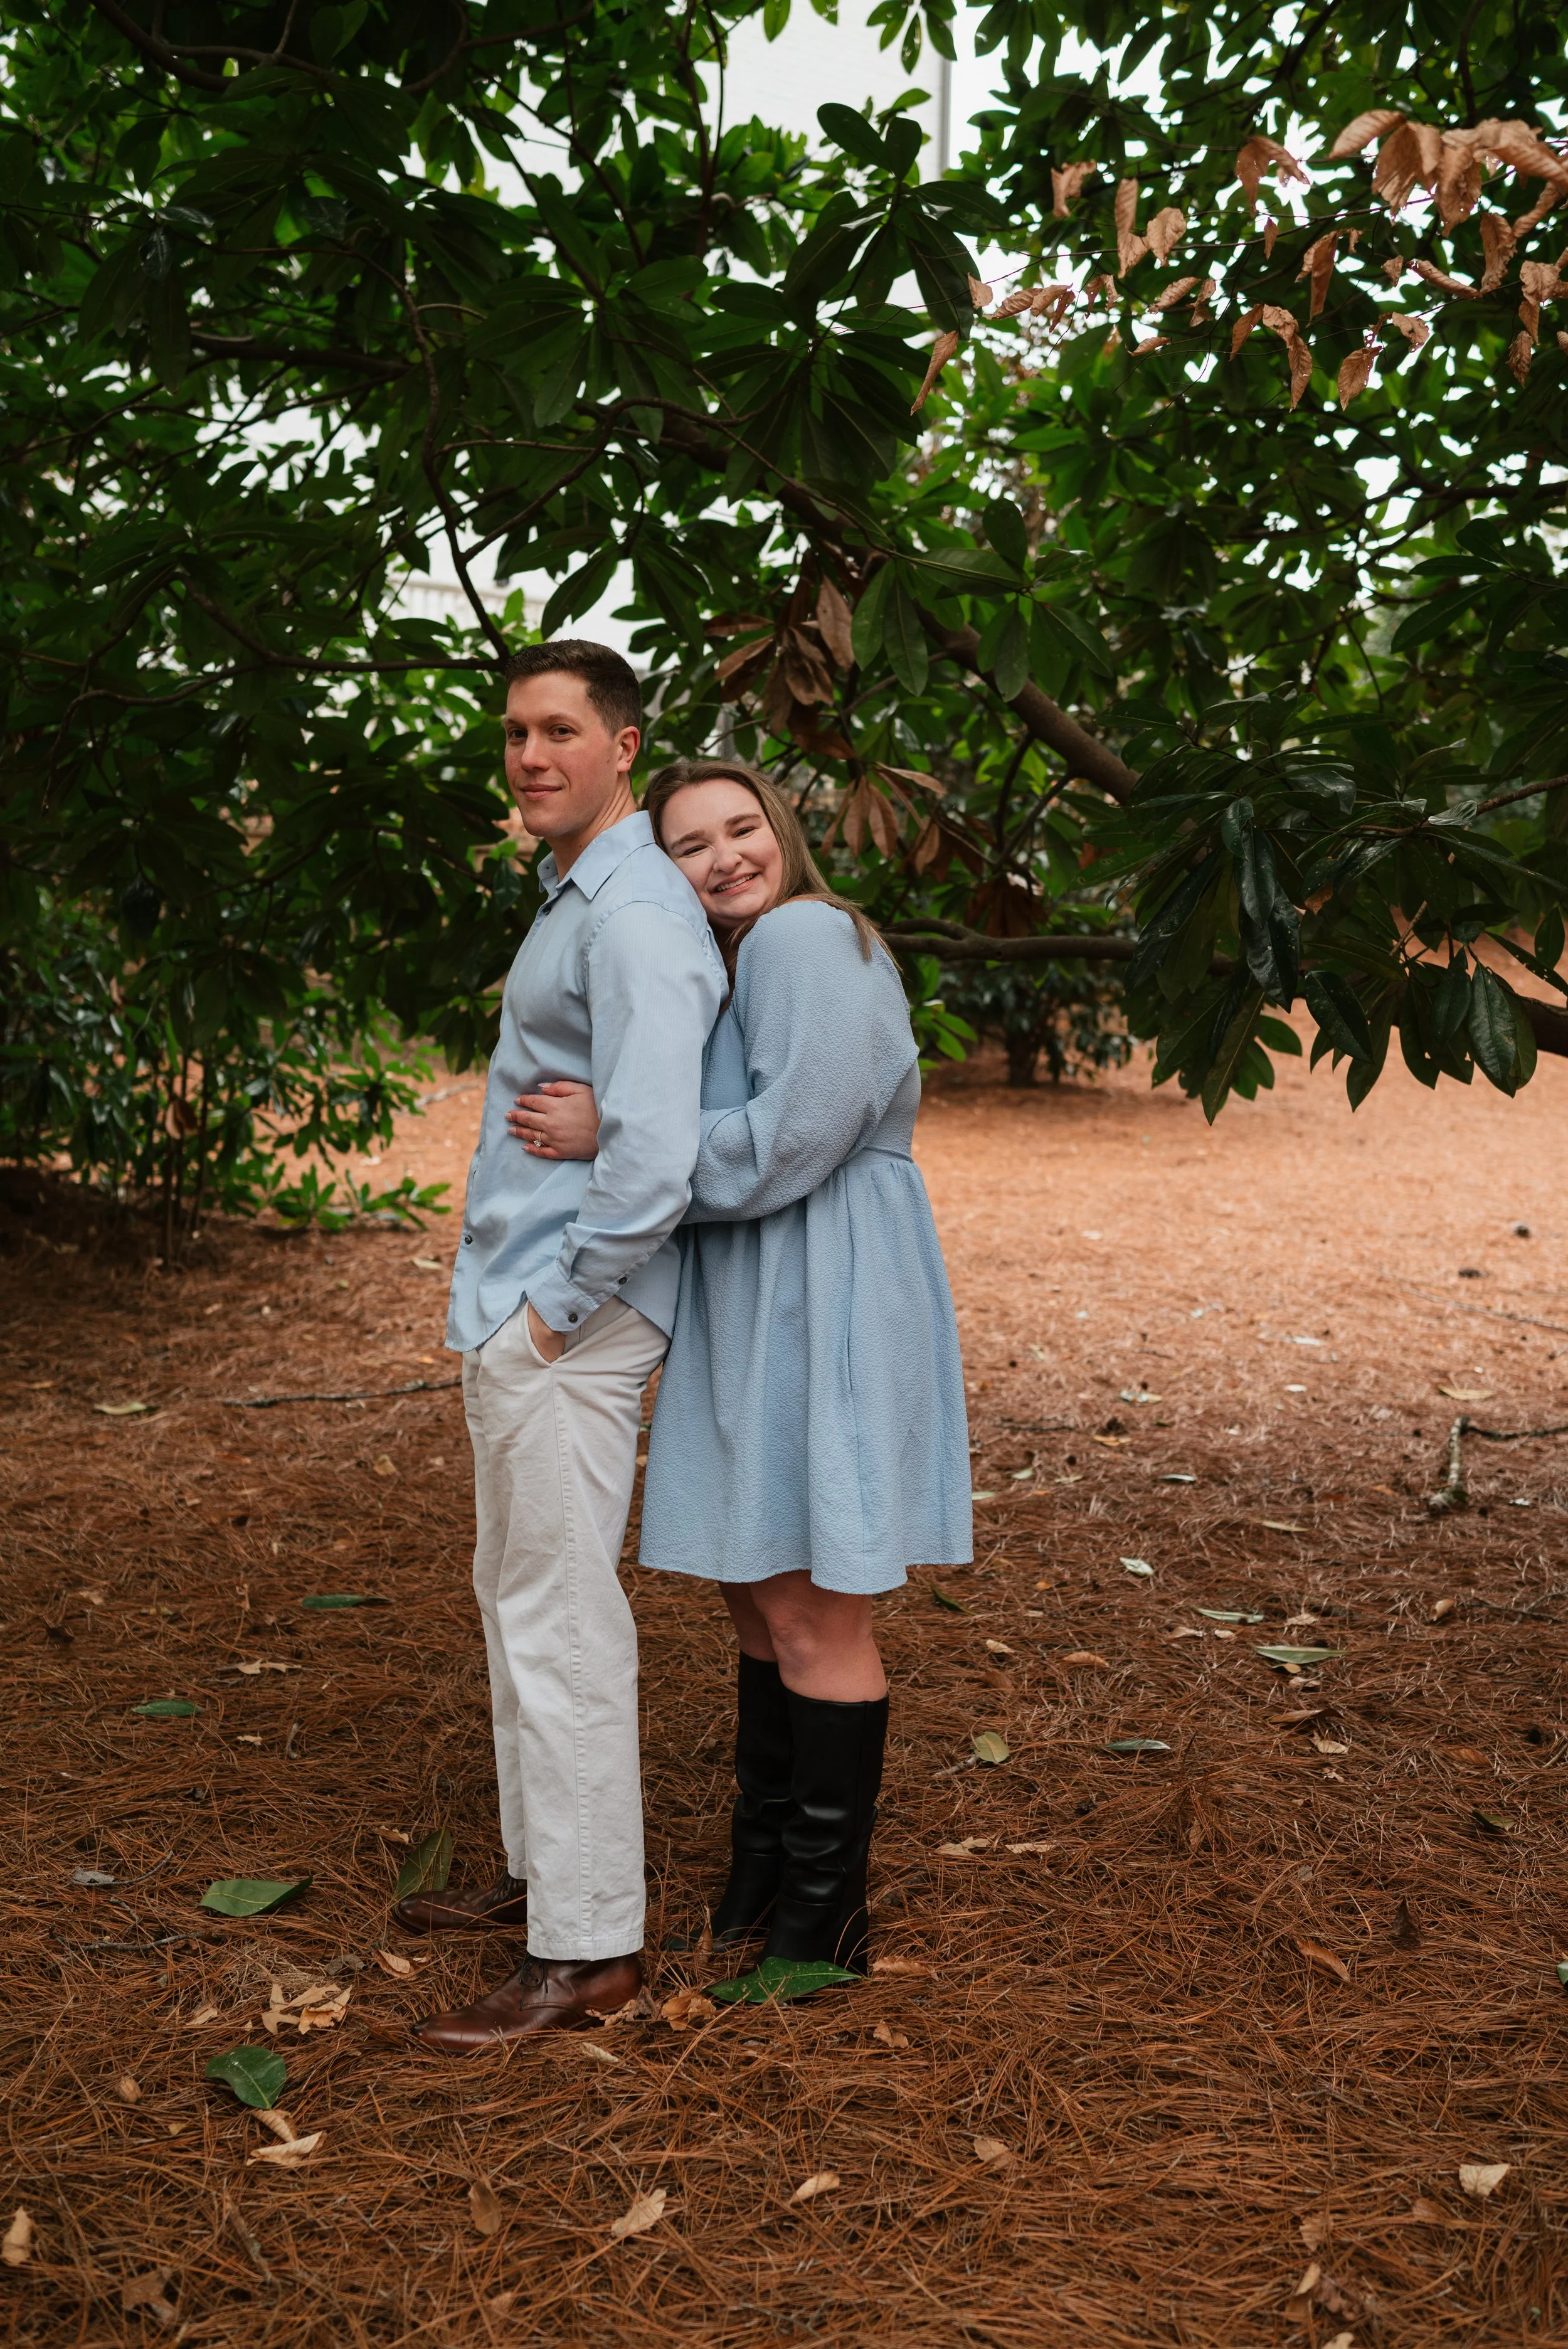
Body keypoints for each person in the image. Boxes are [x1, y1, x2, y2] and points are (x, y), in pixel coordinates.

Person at [508, 758, 971, 1988]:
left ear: (786, 830)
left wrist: (620, 1133)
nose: (723, 857)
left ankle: (821, 1931)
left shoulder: (805, 938)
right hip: (761, 1285)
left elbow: (794, 1138)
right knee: (760, 1604)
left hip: (823, 1285)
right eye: (688, 845)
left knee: (814, 1608)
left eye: (741, 827)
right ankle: (759, 1890)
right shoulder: (733, 960)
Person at [401, 644, 725, 2051]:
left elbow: (651, 1157)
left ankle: (590, 1954)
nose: (531, 757)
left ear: (623, 750)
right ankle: (549, 1881)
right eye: (516, 734)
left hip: (570, 1320)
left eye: (559, 733)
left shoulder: (636, 914)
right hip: (527, 1307)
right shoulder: (576, 896)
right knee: (512, 1595)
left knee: (560, 1619)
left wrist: (552, 1313)